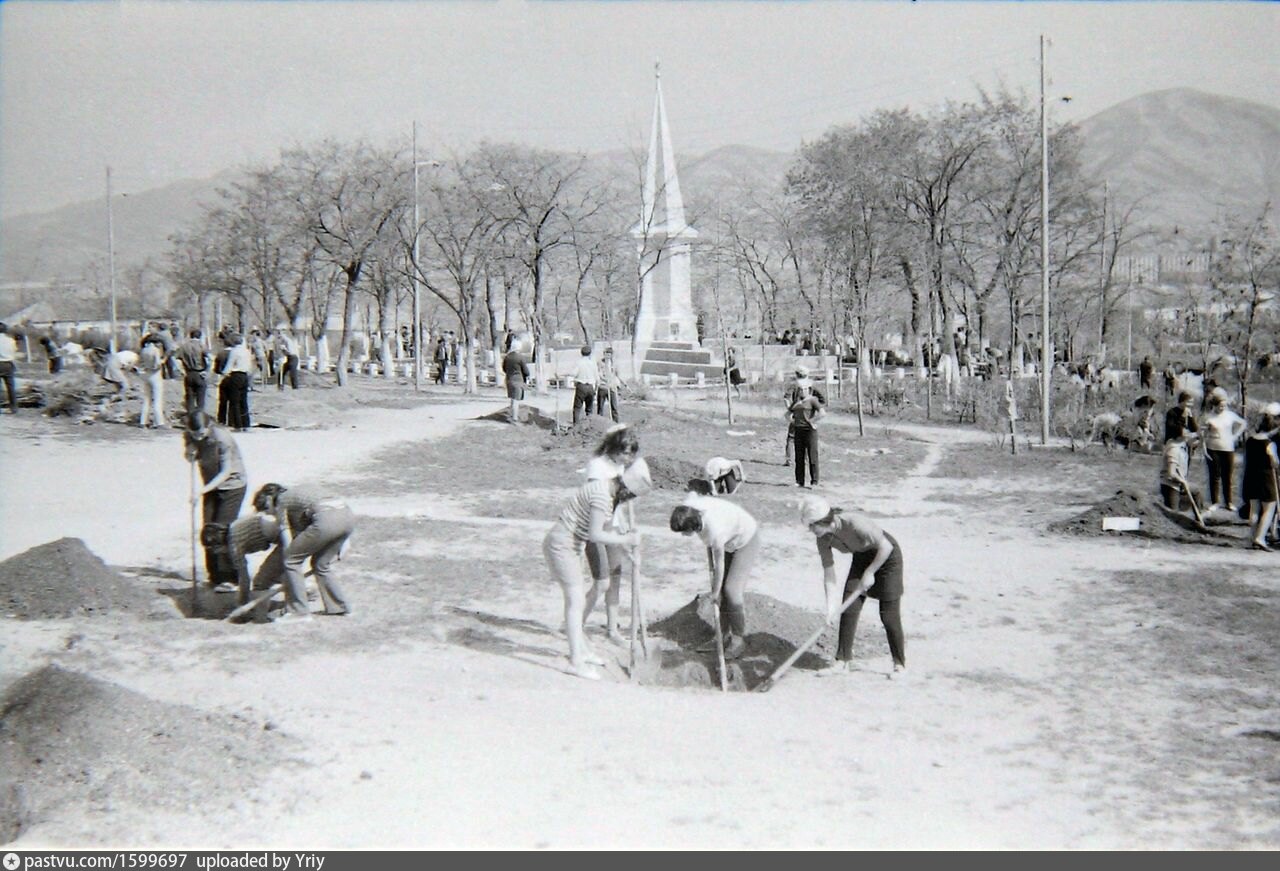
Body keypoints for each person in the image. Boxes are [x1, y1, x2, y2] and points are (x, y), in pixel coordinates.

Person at [543, 457, 650, 680]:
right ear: (624, 489)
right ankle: (575, 662)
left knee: (577, 601)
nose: (627, 501)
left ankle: (582, 650)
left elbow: (607, 530)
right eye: (629, 496)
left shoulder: (606, 490)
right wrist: (627, 540)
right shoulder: (602, 497)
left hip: (573, 544)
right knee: (575, 601)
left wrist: (629, 549)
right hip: (561, 544)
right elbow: (595, 535)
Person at [799, 495, 906, 676]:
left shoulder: (855, 523)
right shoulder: (822, 538)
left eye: (812, 525)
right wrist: (830, 608)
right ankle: (843, 662)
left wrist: (870, 572)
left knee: (888, 615)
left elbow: (886, 547)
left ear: (822, 521)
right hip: (861, 557)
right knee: (849, 607)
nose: (810, 530)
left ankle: (899, 664)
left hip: (887, 556)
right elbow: (829, 573)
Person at [669, 489, 762, 660]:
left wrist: (715, 592)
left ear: (694, 525)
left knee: (731, 590)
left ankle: (738, 640)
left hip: (746, 539)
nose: (683, 535)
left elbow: (719, 565)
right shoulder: (689, 507)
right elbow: (692, 494)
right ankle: (721, 635)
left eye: (685, 531)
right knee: (722, 591)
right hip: (730, 535)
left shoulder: (715, 532)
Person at [252, 483, 356, 620]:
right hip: (347, 518)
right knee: (321, 565)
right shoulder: (298, 495)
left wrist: (289, 562)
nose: (271, 514)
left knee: (290, 560)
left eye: (267, 510)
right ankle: (340, 607)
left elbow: (287, 541)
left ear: (269, 500)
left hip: (325, 519)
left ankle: (298, 612)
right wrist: (344, 543)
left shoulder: (281, 501)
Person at [581, 425, 642, 642]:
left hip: (613, 527)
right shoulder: (597, 466)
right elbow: (597, 499)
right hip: (595, 528)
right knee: (601, 583)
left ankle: (612, 629)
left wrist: (623, 524)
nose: (628, 458)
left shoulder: (620, 467)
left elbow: (617, 502)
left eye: (631, 454)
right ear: (614, 448)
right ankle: (575, 624)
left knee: (615, 578)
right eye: (625, 453)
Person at [184, 410, 248, 590]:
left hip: (232, 486)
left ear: (208, 426)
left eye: (201, 434)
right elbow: (190, 454)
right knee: (208, 529)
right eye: (194, 434)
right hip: (211, 485)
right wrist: (189, 452)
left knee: (221, 531)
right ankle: (215, 576)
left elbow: (225, 472)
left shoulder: (222, 438)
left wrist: (201, 492)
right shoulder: (189, 433)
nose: (198, 437)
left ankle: (231, 578)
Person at [200, 513, 283, 604]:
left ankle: (264, 611)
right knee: (279, 575)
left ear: (217, 545)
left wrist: (242, 602)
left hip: (285, 540)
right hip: (284, 530)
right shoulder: (235, 526)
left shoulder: (234, 546)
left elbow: (244, 579)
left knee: (260, 583)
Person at [1241, 406, 1280, 551]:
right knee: (1269, 508)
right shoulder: (1270, 444)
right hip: (1266, 479)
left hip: (1251, 477)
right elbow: (1275, 463)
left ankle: (1252, 538)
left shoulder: (1250, 440)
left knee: (1254, 510)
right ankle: (1260, 538)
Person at [1201, 387, 1247, 511]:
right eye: (1220, 406)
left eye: (1225, 406)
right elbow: (1202, 435)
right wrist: (1204, 449)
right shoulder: (1209, 417)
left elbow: (1243, 423)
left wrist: (1235, 436)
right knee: (1214, 476)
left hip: (1228, 449)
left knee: (1227, 477)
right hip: (1213, 448)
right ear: (1215, 405)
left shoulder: (1230, 415)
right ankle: (1215, 502)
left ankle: (1229, 502)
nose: (1223, 408)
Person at [786, 365, 826, 488]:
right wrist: (793, 421)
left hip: (810, 431)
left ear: (808, 389)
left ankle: (814, 481)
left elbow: (822, 413)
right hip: (798, 430)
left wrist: (812, 421)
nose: (802, 391)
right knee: (799, 456)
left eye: (804, 389)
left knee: (812, 456)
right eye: (800, 389)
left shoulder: (813, 400)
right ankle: (799, 481)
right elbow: (787, 413)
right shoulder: (797, 402)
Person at [220, 332, 254, 431]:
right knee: (244, 401)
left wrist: (224, 374)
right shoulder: (247, 351)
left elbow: (229, 365)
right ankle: (246, 424)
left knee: (235, 401)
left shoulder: (234, 351)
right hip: (245, 375)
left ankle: (237, 425)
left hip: (235, 375)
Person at [175, 329, 211, 416]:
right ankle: (199, 417)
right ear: (200, 336)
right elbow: (210, 359)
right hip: (200, 373)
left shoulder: (183, 346)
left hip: (189, 373)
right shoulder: (202, 346)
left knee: (190, 397)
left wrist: (181, 370)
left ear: (190, 335)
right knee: (200, 398)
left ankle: (190, 417)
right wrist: (206, 371)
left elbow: (175, 359)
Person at [1159, 429, 1196, 511]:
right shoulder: (1173, 450)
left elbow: (1194, 437)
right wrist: (1183, 482)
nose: (1188, 434)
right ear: (1179, 436)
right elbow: (1171, 473)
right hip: (1170, 485)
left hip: (1179, 483)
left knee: (1196, 492)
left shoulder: (1181, 443)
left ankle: (1198, 515)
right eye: (1186, 432)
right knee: (1173, 513)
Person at [136, 334, 167, 428]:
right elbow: (157, 364)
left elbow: (140, 363)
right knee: (157, 399)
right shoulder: (155, 350)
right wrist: (163, 360)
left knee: (146, 399)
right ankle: (159, 422)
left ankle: (143, 421)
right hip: (155, 374)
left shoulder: (143, 350)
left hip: (146, 374)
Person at [502, 338, 531, 424]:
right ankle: (514, 418)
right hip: (518, 380)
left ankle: (511, 416)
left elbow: (504, 368)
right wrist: (527, 377)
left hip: (509, 380)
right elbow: (526, 371)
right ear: (519, 347)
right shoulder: (520, 357)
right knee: (516, 400)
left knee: (512, 399)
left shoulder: (507, 357)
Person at [571, 345, 599, 425]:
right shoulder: (593, 363)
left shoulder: (579, 362)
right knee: (589, 408)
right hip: (590, 386)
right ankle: (589, 425)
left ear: (581, 353)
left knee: (577, 407)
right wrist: (595, 389)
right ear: (590, 353)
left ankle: (576, 425)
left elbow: (573, 373)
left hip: (581, 386)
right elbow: (597, 378)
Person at [596, 347, 622, 423]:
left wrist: (618, 384)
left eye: (609, 354)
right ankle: (599, 422)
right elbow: (598, 374)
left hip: (612, 388)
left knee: (614, 407)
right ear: (604, 354)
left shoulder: (614, 364)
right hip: (602, 387)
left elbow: (617, 375)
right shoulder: (600, 363)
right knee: (600, 407)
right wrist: (604, 379)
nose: (607, 356)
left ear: (611, 355)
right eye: (606, 354)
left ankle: (616, 423)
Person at [0, 323, 19, 413]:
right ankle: (13, 407)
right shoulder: (11, 340)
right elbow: (14, 351)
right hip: (9, 363)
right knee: (11, 387)